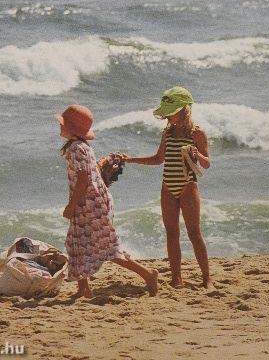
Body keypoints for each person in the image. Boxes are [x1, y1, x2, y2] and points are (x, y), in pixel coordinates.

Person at [55, 104, 158, 299]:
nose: (60, 126)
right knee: (77, 242)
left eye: (63, 123)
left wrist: (71, 205)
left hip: (90, 204)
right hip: (93, 201)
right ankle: (83, 288)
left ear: (71, 128)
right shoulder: (81, 146)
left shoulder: (77, 148)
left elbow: (84, 179)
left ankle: (147, 274)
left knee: (106, 247)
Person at [124, 87, 212, 288]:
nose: (166, 118)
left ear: (183, 110)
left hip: (188, 187)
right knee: (172, 234)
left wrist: (196, 154)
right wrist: (131, 159)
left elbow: (207, 164)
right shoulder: (168, 133)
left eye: (169, 113)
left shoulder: (197, 134)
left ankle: (207, 278)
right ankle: (176, 279)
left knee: (194, 234)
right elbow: (159, 158)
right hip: (167, 188)